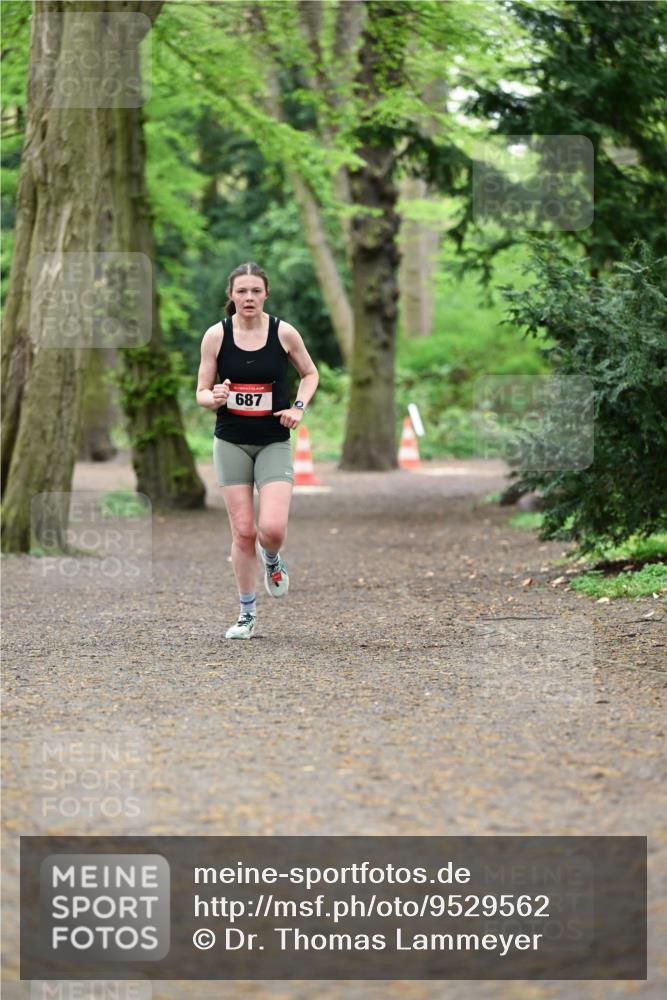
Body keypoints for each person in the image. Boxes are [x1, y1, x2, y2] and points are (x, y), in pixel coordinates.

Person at [196, 262, 319, 639]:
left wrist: (297, 408)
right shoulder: (216, 336)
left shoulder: (284, 333)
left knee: (271, 529)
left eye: (255, 291)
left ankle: (273, 560)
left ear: (266, 294)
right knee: (244, 532)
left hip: (273, 441)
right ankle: (246, 614)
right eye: (241, 291)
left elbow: (310, 374)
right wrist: (212, 396)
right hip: (230, 440)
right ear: (231, 296)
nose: (248, 298)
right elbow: (201, 391)